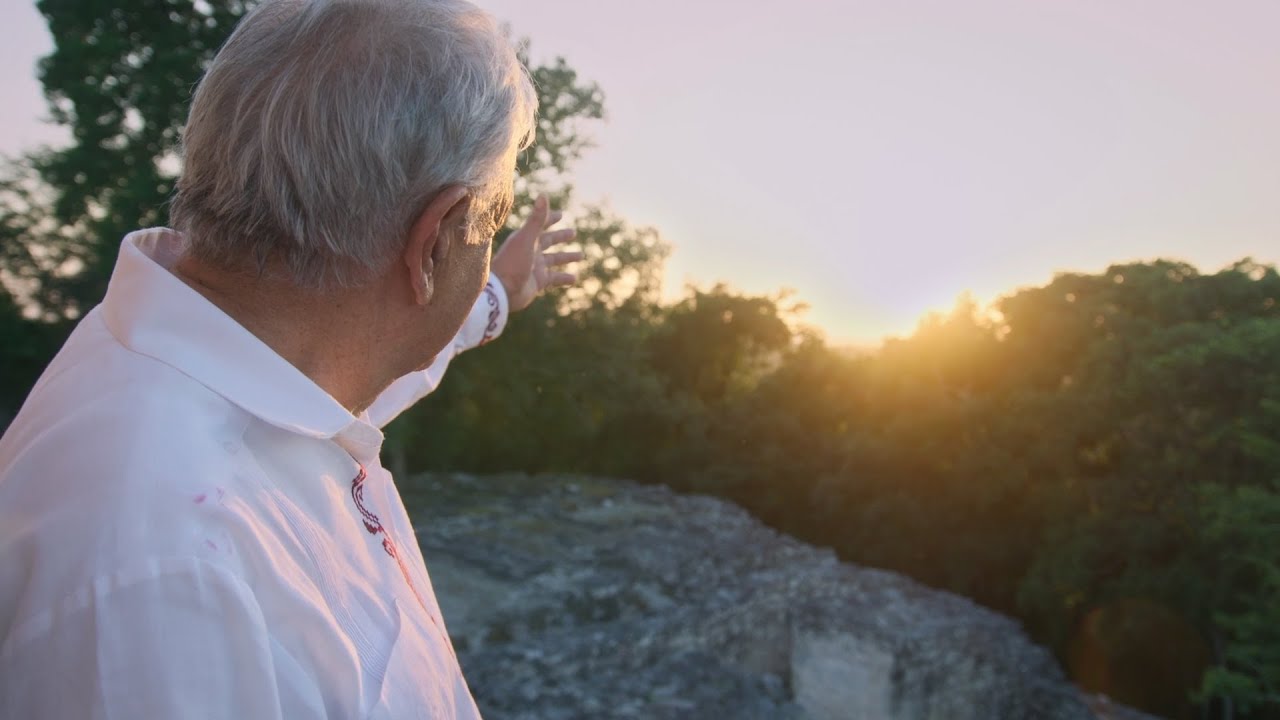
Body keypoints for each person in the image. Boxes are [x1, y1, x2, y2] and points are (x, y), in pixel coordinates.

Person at [0, 0, 581, 716]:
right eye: (487, 227)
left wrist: (494, 292)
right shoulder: (168, 576)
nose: (487, 248)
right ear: (434, 242)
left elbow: (365, 360)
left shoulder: (232, 359)